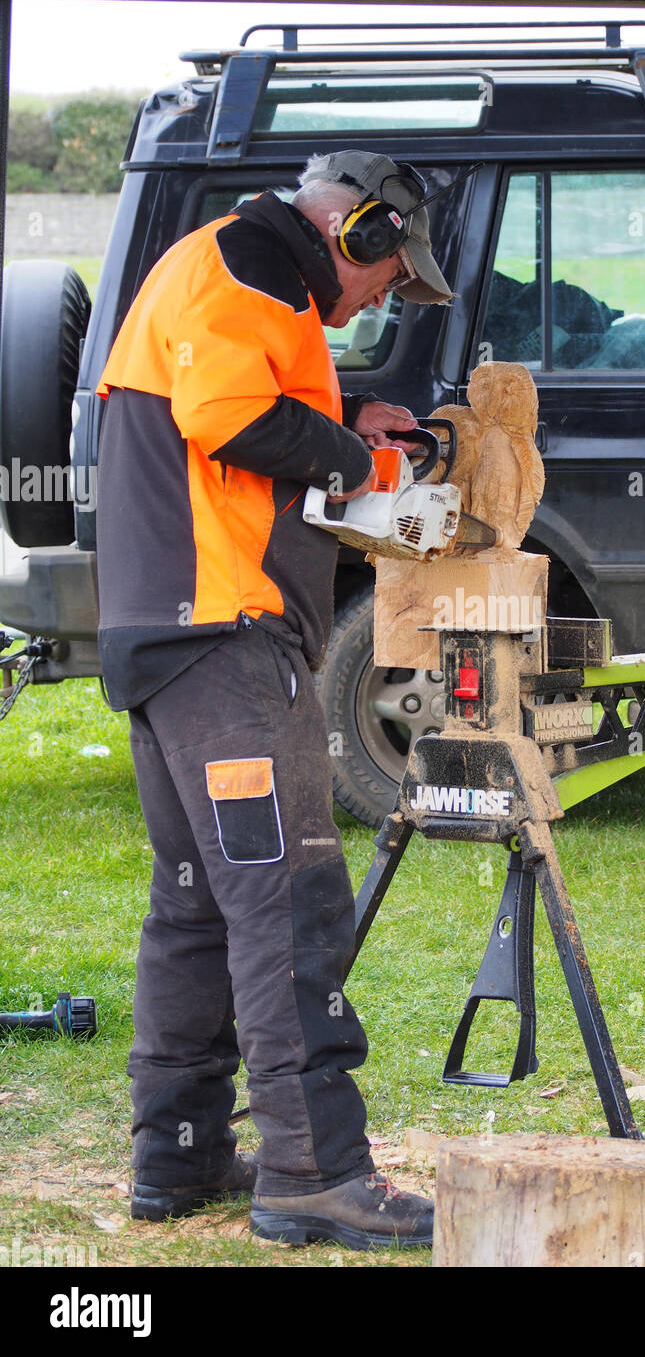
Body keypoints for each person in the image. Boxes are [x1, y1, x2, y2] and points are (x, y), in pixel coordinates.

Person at [94, 150, 453, 1249]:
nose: (381, 299)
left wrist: (349, 410)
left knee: (200, 901)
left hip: (170, 634)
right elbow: (230, 419)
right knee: (294, 900)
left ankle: (182, 1155)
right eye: (389, 277)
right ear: (361, 232)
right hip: (227, 640)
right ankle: (314, 1169)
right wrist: (360, 459)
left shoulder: (236, 273)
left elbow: (240, 404)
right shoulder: (254, 261)